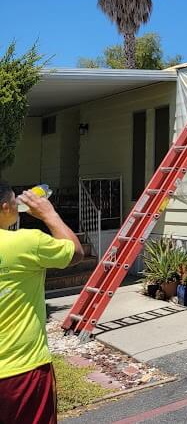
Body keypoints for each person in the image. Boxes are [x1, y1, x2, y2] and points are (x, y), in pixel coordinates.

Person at [0, 182, 83, 424]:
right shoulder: (26, 242)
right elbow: (75, 252)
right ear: (6, 207)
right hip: (22, 370)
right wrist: (49, 214)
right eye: (14, 201)